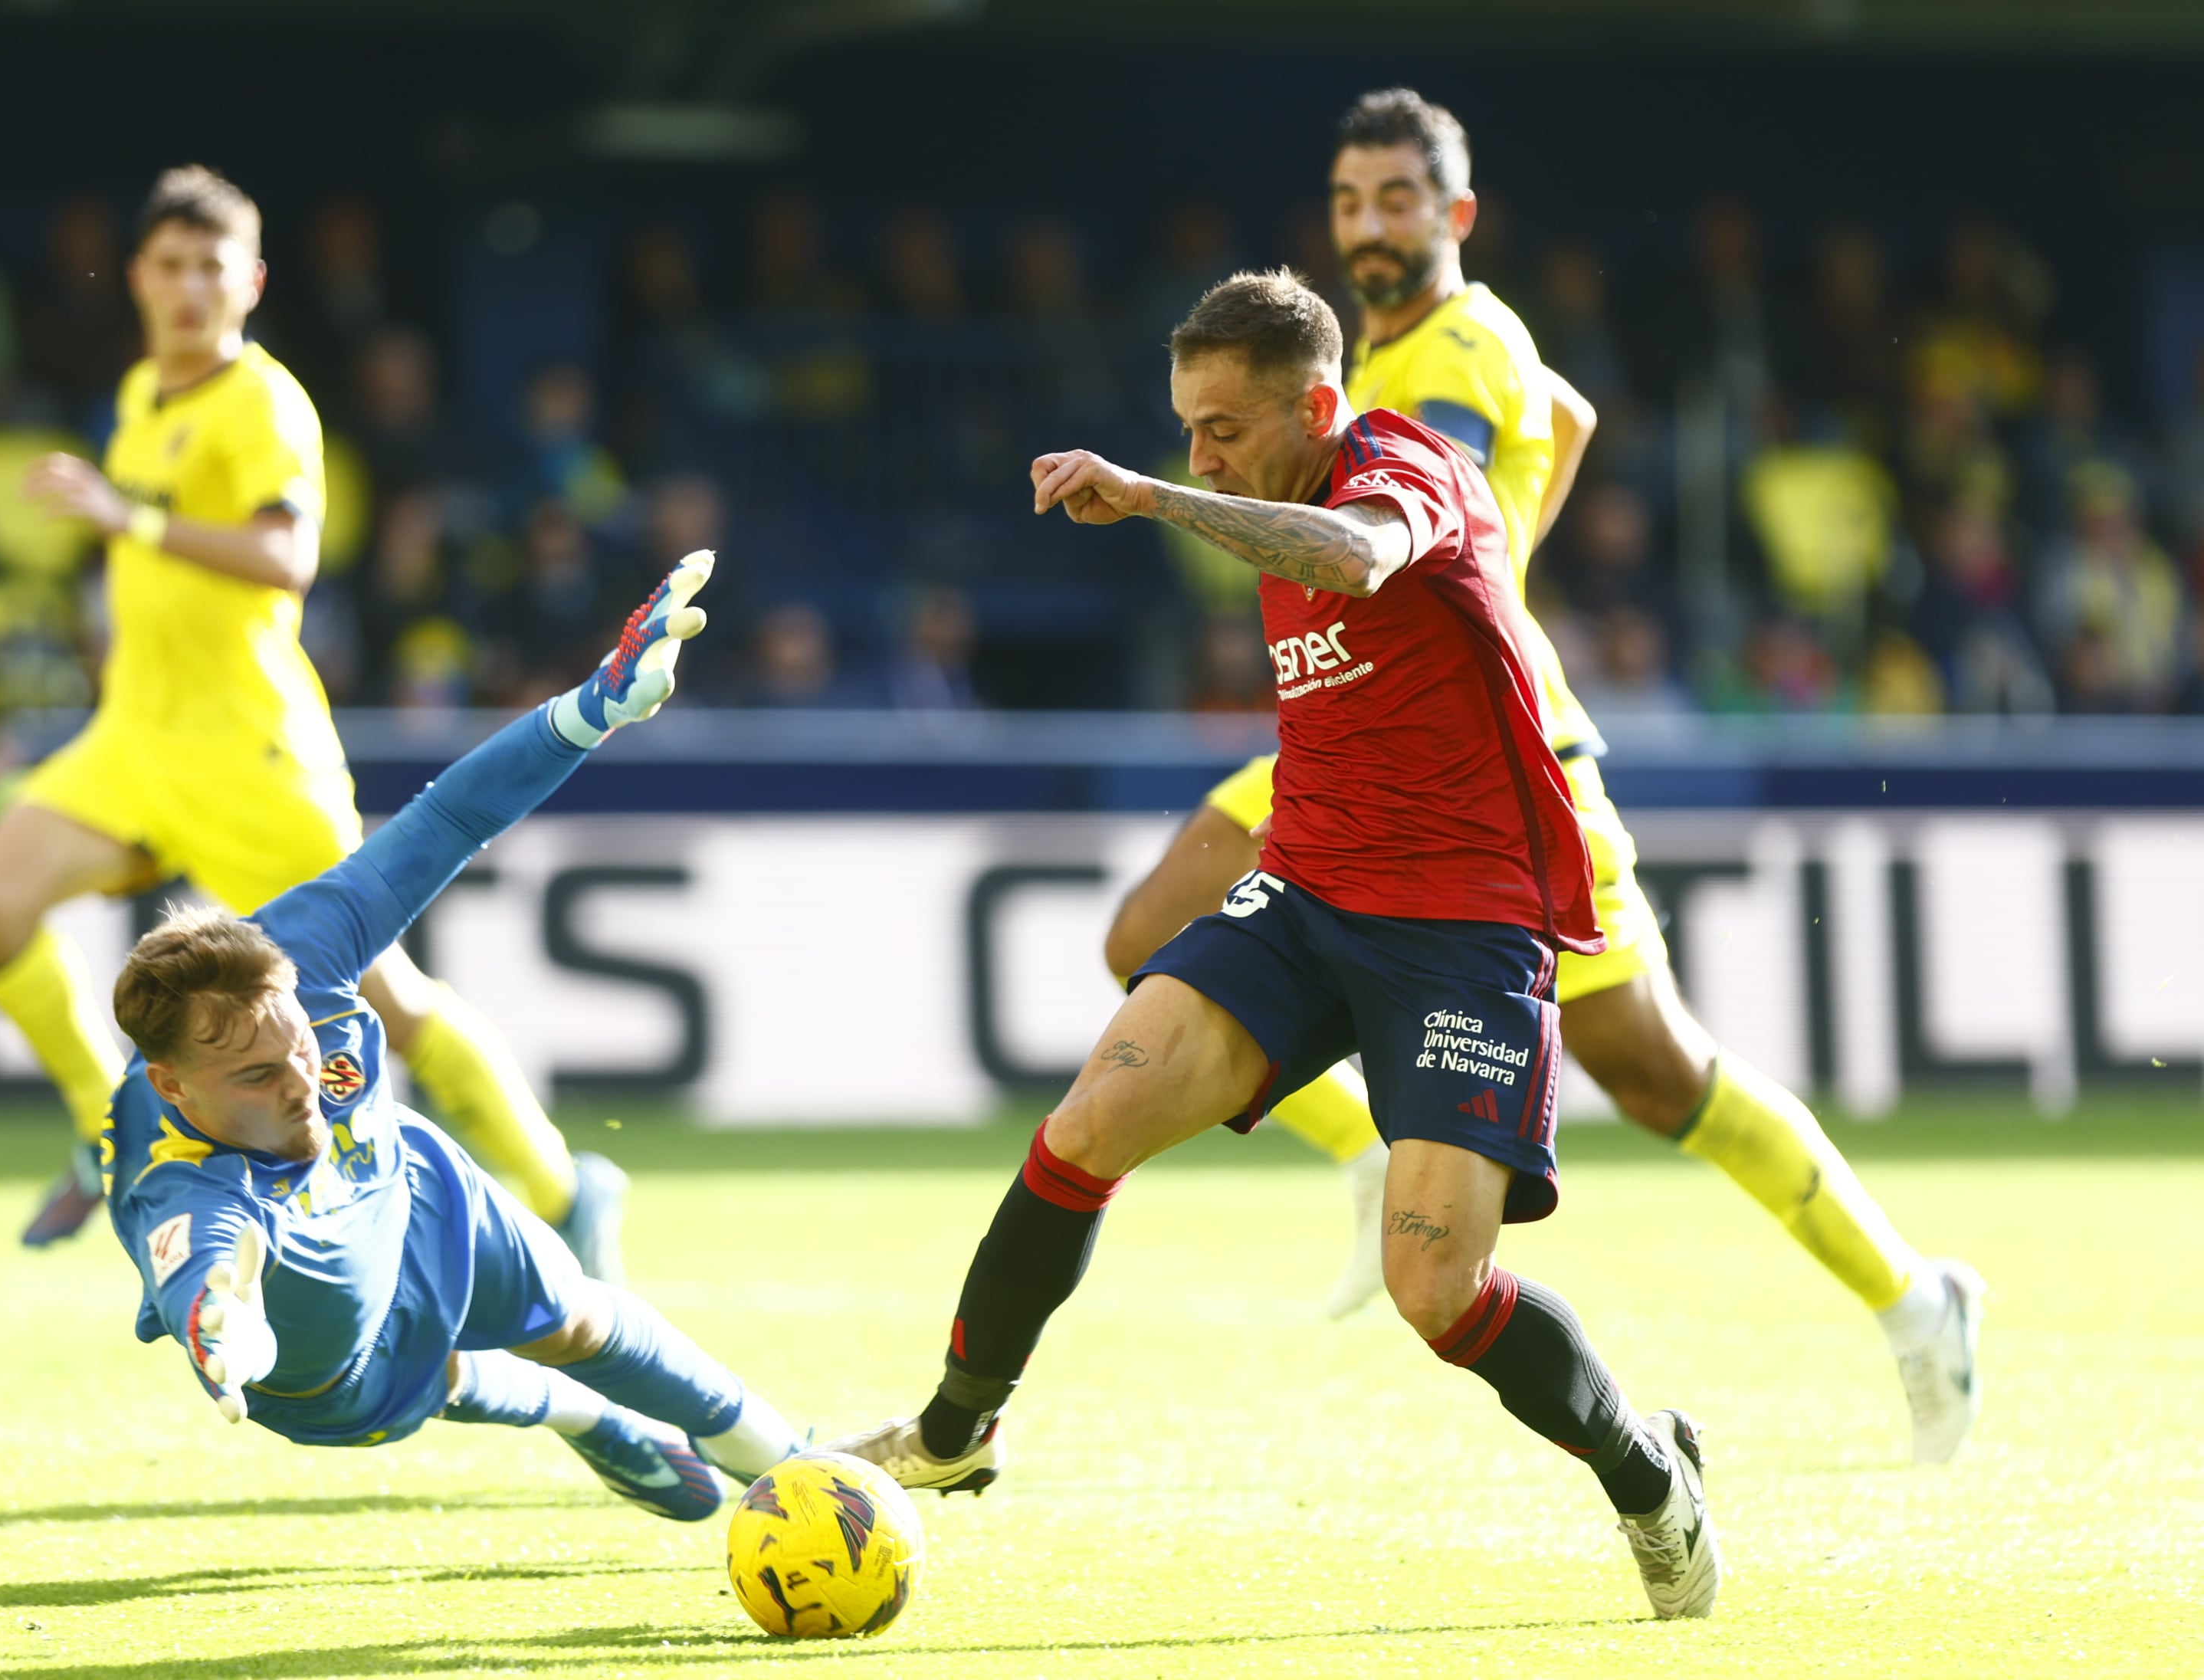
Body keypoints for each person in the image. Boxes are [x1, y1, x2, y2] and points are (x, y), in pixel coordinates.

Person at [1098, 90, 1983, 1466]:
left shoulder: (1454, 351)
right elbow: (1563, 417)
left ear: (1453, 216)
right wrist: (1508, 549)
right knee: (1148, 935)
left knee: (1652, 1066)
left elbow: (1405, 512)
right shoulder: (1397, 355)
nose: (1371, 225)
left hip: (1494, 762)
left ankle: (1917, 1297)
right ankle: (1358, 1152)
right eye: (1349, 201)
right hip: (1352, 734)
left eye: (1399, 200)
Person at [832, 271, 1721, 1619]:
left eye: (1225, 428)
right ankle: (957, 1431)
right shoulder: (1272, 483)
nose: (1201, 453)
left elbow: (1354, 555)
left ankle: (1651, 1477)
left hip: (1462, 933)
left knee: (1435, 1287)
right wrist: (1190, 489)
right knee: (1089, 1123)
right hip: (1306, 900)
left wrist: (1151, 495)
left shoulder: (1412, 470)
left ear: (1317, 404)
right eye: (1184, 429)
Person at [0, 167, 626, 1280]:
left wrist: (132, 519)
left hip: (252, 755)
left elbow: (287, 556)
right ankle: (100, 1129)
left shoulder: (263, 403)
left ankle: (562, 1187)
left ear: (251, 282)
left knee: (385, 1000)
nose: (189, 288)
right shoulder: (136, 398)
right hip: (132, 740)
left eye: (213, 268)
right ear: (138, 279)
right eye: (170, 266)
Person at [114, 554, 799, 1515]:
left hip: (408, 1180)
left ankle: (809, 1464)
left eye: (299, 1045)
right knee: (432, 1379)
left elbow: (450, 816)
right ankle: (583, 1418)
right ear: (175, 1085)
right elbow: (210, 1261)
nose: (300, 1082)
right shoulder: (175, 1175)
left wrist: (592, 704)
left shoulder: (302, 945)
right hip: (322, 1353)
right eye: (257, 1075)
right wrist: (220, 1319)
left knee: (582, 1316)